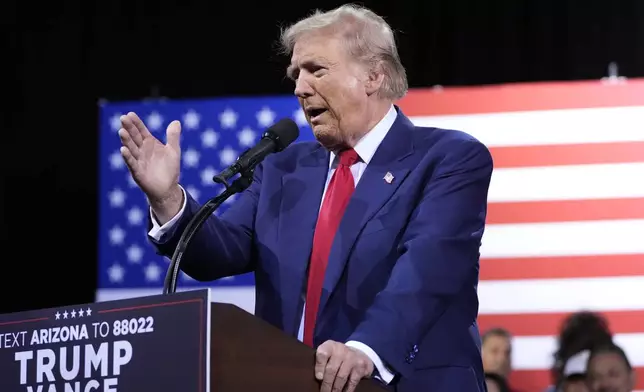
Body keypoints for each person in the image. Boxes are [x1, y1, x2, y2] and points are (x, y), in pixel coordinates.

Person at [118, 4, 493, 392]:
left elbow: (428, 269)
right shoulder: (283, 168)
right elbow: (220, 252)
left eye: (317, 69)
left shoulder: (448, 157)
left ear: (374, 75)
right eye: (295, 74)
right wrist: (167, 199)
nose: (300, 87)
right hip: (290, 381)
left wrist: (366, 348)